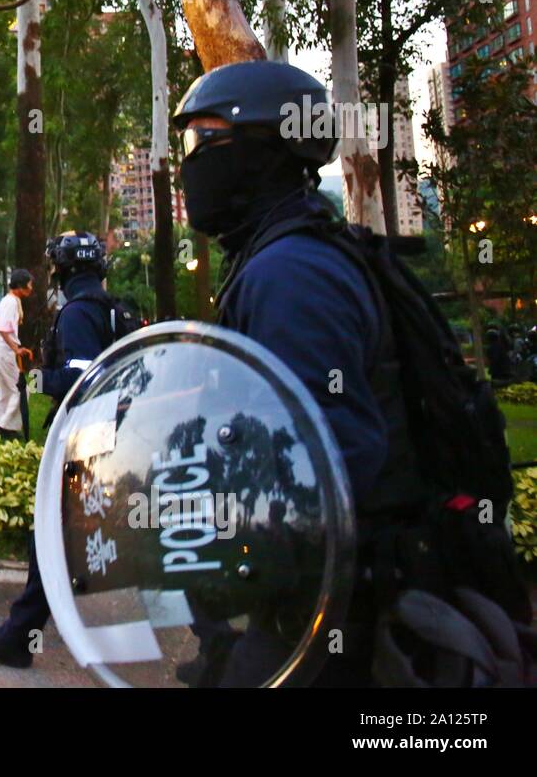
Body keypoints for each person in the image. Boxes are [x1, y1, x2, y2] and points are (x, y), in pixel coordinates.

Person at [170, 59, 536, 686]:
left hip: (341, 613)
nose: (190, 161)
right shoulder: (302, 250)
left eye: (204, 140)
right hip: (352, 595)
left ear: (262, 151)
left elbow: (331, 464)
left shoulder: (290, 274)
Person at [0, 229, 134, 669]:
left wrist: (40, 379)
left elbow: (82, 377)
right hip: (119, 436)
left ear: (64, 269)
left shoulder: (76, 313)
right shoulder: (116, 309)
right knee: (83, 533)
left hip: (84, 437)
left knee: (52, 531)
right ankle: (209, 639)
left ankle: (21, 635)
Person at [0, 269, 34, 440]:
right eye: (29, 284)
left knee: (5, 394)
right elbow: (3, 329)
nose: (31, 288)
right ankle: (5, 427)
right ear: (21, 285)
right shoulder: (11, 302)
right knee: (22, 390)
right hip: (4, 351)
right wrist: (16, 349)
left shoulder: (9, 301)